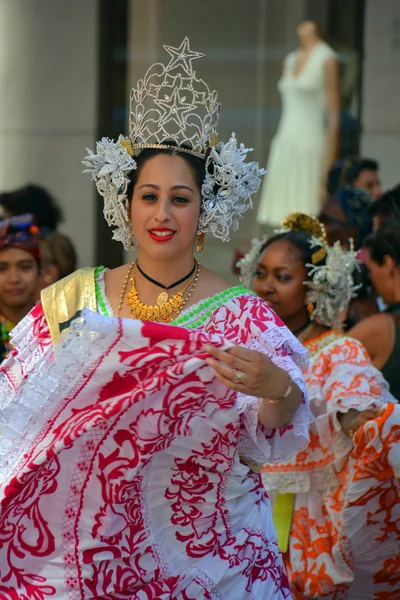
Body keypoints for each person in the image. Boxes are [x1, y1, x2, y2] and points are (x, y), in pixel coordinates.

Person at [0, 38, 311, 599]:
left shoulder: (243, 314)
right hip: (82, 553)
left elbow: (270, 434)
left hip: (209, 553)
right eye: (148, 196)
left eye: (180, 199)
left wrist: (279, 386)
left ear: (205, 209)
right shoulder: (73, 299)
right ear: (127, 206)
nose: (162, 214)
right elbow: (16, 417)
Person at [238, 213, 399, 599]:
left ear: (314, 289)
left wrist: (358, 423)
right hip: (245, 510)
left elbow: (357, 411)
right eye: (261, 273)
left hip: (308, 522)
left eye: (282, 276)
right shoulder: (249, 346)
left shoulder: (337, 349)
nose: (266, 286)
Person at [257, 20, 340, 226]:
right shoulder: (290, 60)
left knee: (309, 216)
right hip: (285, 141)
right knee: (281, 216)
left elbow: (334, 116)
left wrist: (327, 173)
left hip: (311, 144)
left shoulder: (327, 60)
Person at [349, 221, 400, 400]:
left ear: (388, 263)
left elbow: (322, 363)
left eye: (370, 270)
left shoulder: (381, 327)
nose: (371, 281)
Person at [0, 214, 40, 361]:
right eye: (2, 268)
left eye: (25, 267)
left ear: (40, 272)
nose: (14, 279)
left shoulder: (55, 328)